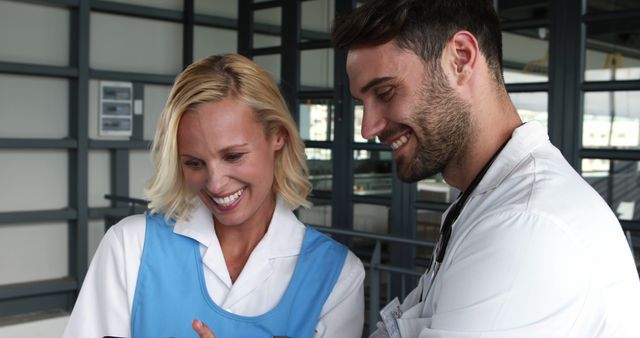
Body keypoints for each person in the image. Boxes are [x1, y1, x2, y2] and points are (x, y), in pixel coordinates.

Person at [331, 0, 640, 337]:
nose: (368, 127)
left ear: (460, 58)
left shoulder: (525, 226)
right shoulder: (486, 201)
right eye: (364, 103)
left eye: (385, 92)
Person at [63, 54, 365, 338]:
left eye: (233, 156)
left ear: (278, 136)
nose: (216, 184)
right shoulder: (130, 247)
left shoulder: (337, 277)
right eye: (194, 163)